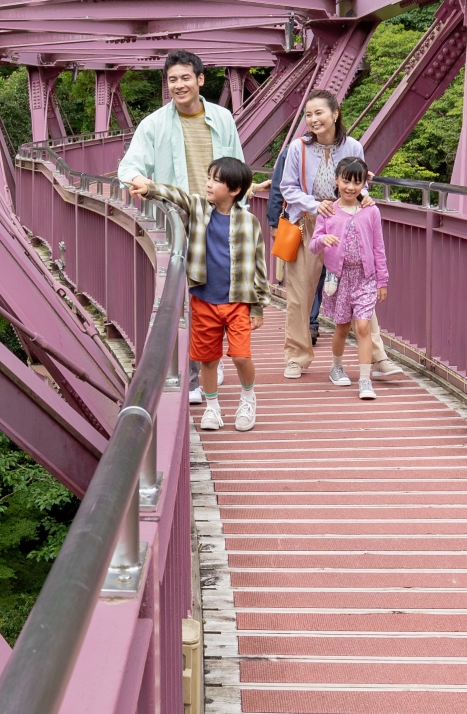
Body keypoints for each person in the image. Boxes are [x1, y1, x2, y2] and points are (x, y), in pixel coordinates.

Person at [114, 50, 258, 405]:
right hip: (180, 220)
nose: (179, 85)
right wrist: (140, 181)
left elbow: (237, 164)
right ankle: (197, 376)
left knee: (221, 291)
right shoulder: (155, 124)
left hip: (221, 217)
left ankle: (211, 362)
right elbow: (128, 166)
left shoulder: (222, 118)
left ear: (200, 80)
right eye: (172, 80)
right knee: (189, 299)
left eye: (185, 78)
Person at [127, 157, 265, 431]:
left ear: (235, 190)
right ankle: (213, 407)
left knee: (240, 356)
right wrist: (150, 189)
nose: (209, 184)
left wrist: (258, 305)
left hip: (239, 301)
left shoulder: (250, 223)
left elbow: (258, 265)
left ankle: (248, 397)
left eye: (216, 180)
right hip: (203, 298)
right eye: (209, 177)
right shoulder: (199, 209)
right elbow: (177, 196)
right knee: (208, 359)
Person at [268, 89, 364, 379]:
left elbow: (360, 183)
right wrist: (313, 204)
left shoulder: (353, 147)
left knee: (356, 289)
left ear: (335, 113)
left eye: (319, 112)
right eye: (308, 114)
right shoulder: (297, 148)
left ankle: (374, 357)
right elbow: (287, 187)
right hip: (307, 222)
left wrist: (364, 198)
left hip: (342, 223)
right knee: (300, 294)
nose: (313, 119)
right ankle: (297, 356)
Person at [312, 155, 391, 400]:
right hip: (338, 278)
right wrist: (323, 240)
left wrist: (382, 280)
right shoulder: (328, 210)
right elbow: (313, 245)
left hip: (365, 277)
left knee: (364, 326)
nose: (350, 187)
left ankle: (365, 380)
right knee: (343, 327)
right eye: (346, 181)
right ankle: (336, 366)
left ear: (363, 184)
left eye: (356, 182)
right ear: (336, 180)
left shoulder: (371, 211)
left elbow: (379, 246)